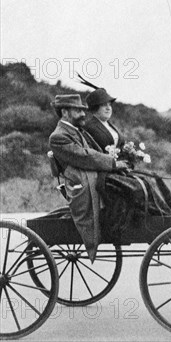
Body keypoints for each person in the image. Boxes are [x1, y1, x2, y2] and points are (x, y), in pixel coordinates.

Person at [49, 94, 129, 261]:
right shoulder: (58, 136)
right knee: (125, 187)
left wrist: (118, 163)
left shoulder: (76, 130)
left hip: (90, 175)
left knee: (132, 182)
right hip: (80, 183)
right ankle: (119, 224)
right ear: (65, 112)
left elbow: (96, 152)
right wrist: (113, 164)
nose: (83, 114)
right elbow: (85, 156)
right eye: (78, 110)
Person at [84, 88, 124, 152]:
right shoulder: (88, 126)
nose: (108, 108)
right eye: (104, 105)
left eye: (109, 105)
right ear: (95, 108)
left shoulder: (111, 125)